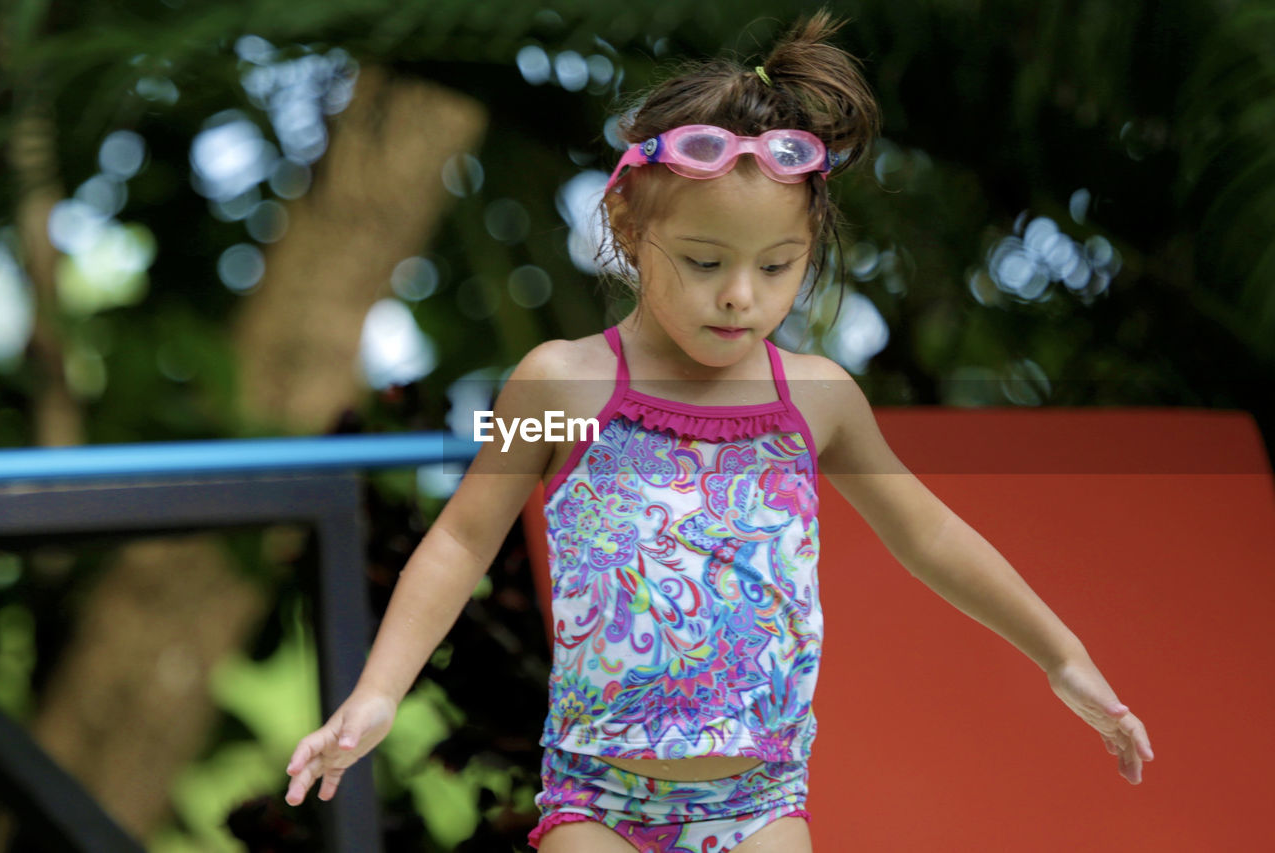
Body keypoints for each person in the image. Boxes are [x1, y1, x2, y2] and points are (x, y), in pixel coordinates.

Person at [283, 11, 1154, 852]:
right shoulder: (565, 386)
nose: (741, 294)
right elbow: (463, 538)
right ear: (629, 225)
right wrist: (377, 692)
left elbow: (929, 535)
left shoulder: (816, 402)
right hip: (598, 798)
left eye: (777, 266)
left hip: (760, 801)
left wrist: (1060, 654)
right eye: (704, 263)